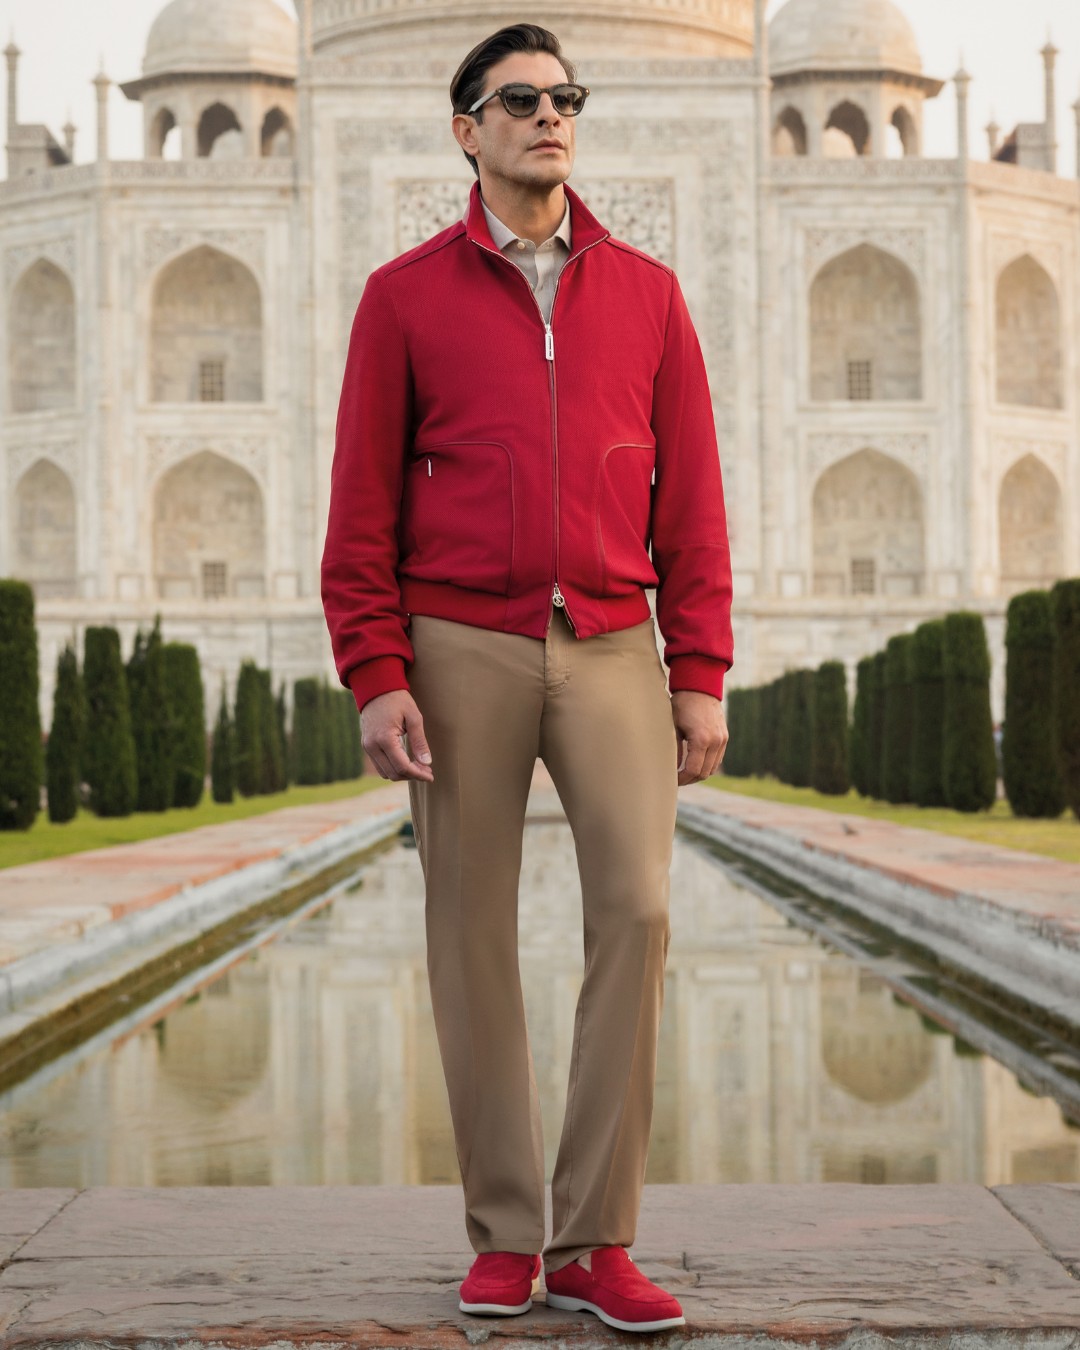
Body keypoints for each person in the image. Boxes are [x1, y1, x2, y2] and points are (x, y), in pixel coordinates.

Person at [321, 22, 733, 1335]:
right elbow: (359, 507)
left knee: (639, 911)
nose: (550, 116)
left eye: (566, 97)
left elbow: (694, 500)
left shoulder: (648, 292)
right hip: (460, 640)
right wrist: (375, 669)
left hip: (612, 637)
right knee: (469, 931)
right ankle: (506, 1235)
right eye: (520, 99)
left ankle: (596, 1237)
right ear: (468, 129)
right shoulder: (404, 296)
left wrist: (700, 667)